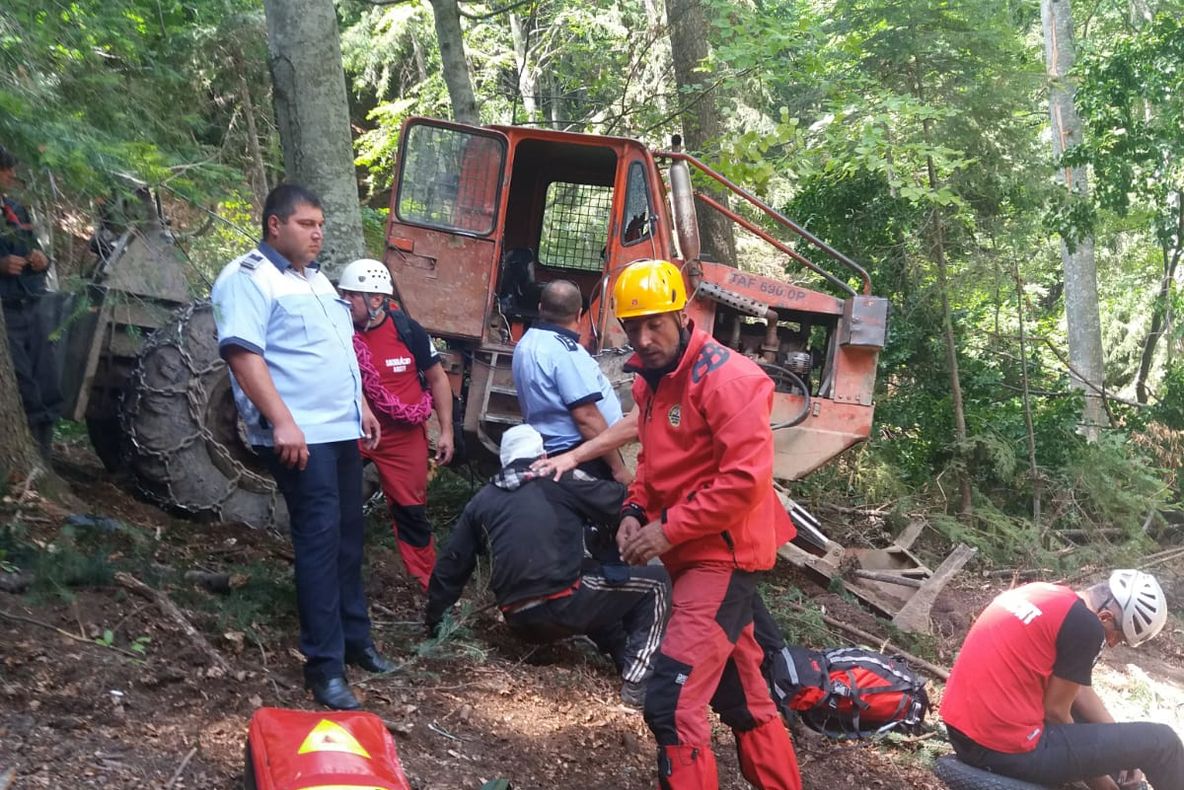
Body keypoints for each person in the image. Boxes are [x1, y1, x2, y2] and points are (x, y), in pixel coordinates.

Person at [611, 259, 801, 789]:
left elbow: (744, 482)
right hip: (691, 551)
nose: (644, 338)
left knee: (671, 703)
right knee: (744, 695)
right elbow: (652, 465)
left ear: (681, 314)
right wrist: (632, 511)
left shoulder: (730, 379)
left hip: (724, 553)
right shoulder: (651, 383)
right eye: (632, 326)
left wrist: (665, 529)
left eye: (655, 324)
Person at [211, 184, 394, 711]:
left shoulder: (315, 282)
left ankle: (356, 640)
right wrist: (282, 421)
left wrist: (361, 404)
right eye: (307, 224)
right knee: (318, 542)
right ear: (275, 225)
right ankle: (324, 667)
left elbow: (338, 351)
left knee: (348, 538)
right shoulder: (249, 278)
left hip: (340, 430)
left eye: (320, 224)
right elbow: (244, 357)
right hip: (299, 437)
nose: (318, 234)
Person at [424, 424, 671, 707]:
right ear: (542, 455)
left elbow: (451, 566)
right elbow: (617, 499)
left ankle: (621, 654)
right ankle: (638, 688)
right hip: (562, 605)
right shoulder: (556, 477)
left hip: (517, 618)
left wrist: (434, 624)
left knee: (591, 575)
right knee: (656, 582)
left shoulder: (481, 501)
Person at [942, 570, 1182, 790]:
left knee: (1111, 733)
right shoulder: (1087, 626)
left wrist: (1126, 752)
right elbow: (1056, 713)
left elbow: (1079, 691)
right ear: (1105, 616)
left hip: (965, 733)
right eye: (1116, 637)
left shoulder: (1044, 593)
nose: (1110, 644)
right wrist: (1105, 786)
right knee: (1162, 743)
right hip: (1004, 749)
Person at [338, 258, 454, 592]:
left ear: (376, 299)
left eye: (352, 296)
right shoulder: (337, 329)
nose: (344, 302)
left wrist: (445, 430)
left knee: (411, 512)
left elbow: (437, 379)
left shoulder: (407, 331)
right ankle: (338, 573)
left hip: (403, 439)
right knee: (331, 499)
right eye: (343, 294)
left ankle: (429, 586)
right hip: (352, 431)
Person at [511, 279, 629, 483]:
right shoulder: (565, 352)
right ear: (579, 313)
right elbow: (587, 418)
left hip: (550, 447)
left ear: (540, 308)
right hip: (582, 454)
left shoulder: (527, 343)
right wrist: (618, 468)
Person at [1, 145, 61, 459]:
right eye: (6, 169)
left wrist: (42, 260)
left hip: (33, 305)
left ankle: (45, 458)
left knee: (47, 379)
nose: (11, 175)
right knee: (22, 382)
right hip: (7, 312)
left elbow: (35, 251)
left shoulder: (16, 210)